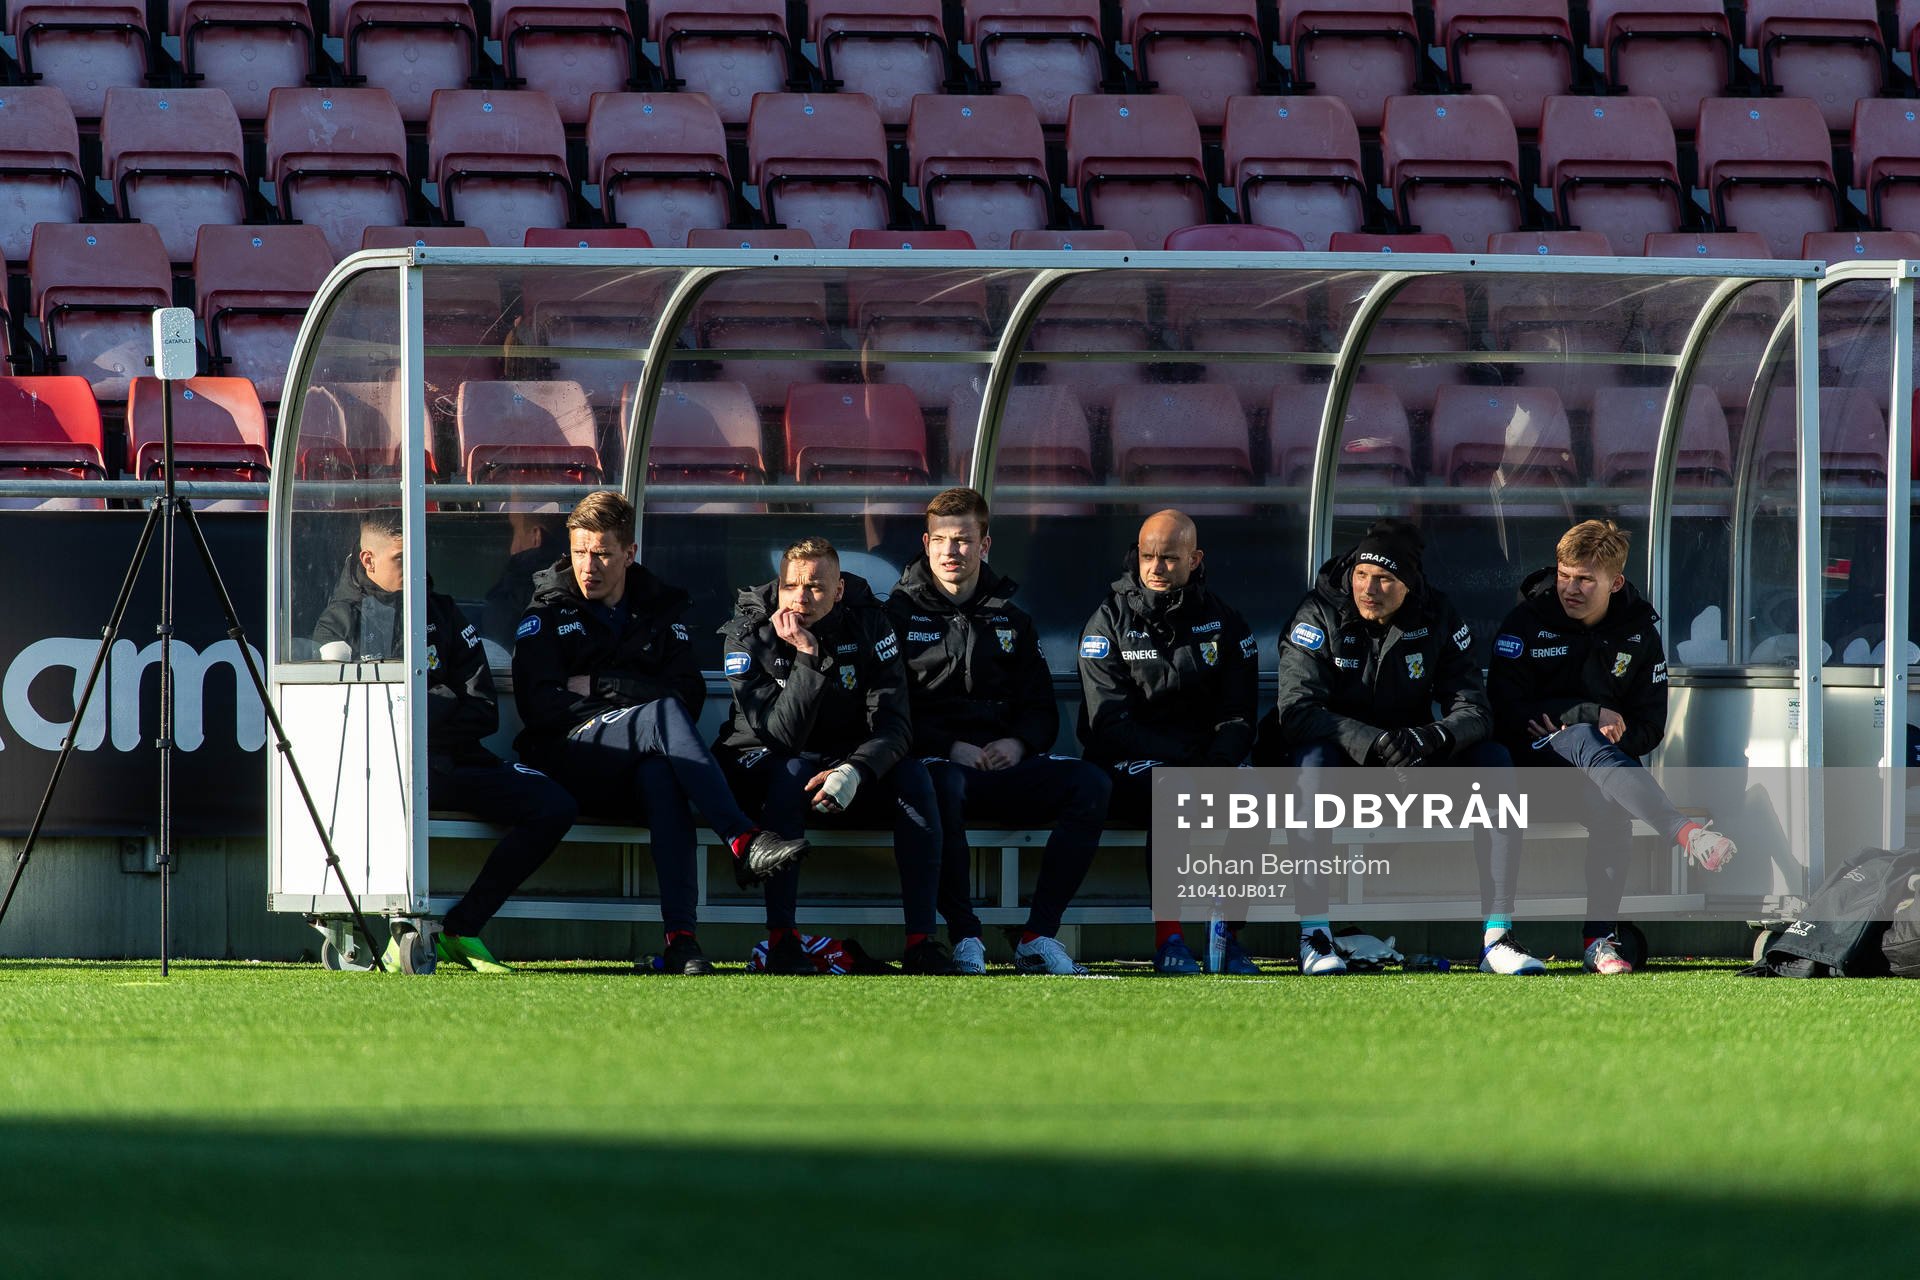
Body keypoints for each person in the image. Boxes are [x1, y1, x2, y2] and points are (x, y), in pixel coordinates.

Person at [511, 491, 808, 976]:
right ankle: (741, 839)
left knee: (662, 774)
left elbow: (688, 694)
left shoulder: (660, 609)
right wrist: (632, 703)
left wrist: (606, 687)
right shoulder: (545, 612)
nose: (589, 566)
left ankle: (682, 941)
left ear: (629, 553)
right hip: (567, 758)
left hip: (636, 764)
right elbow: (540, 706)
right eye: (580, 551)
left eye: (603, 553)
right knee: (660, 714)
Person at [1266, 519, 1542, 976]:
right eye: (1361, 574)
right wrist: (1370, 742)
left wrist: (1432, 736)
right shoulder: (1318, 612)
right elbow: (1296, 711)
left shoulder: (1438, 614)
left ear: (1409, 585)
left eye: (1385, 579)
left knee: (1494, 762)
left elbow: (1474, 709)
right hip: (1340, 765)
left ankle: (1497, 936)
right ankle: (1314, 936)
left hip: (1412, 763)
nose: (1368, 588)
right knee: (1313, 761)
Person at [312, 509, 577, 974]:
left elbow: (483, 709)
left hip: (455, 763)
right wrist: (441, 701)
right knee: (394, 790)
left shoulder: (444, 612)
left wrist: (423, 710)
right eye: (400, 559)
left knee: (555, 804)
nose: (413, 569)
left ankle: (462, 927)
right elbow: (354, 723)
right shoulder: (339, 624)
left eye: (416, 556)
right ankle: (398, 928)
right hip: (383, 773)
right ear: (368, 559)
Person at [1487, 519, 1736, 975]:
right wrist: (1582, 714)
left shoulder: (1640, 632)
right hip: (1526, 769)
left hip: (1599, 775)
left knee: (1610, 802)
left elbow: (1649, 725)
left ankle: (1598, 940)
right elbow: (1505, 709)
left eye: (1585, 579)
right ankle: (1683, 832)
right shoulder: (1526, 620)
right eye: (1565, 575)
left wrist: (1612, 733)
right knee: (1580, 734)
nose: (1570, 588)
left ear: (1615, 582)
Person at [887, 488, 1110, 976]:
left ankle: (1037, 937)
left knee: (1090, 783)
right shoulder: (895, 618)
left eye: (964, 540)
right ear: (926, 543)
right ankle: (967, 937)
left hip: (1004, 767)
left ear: (984, 545)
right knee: (937, 783)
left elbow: (1042, 709)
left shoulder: (1013, 619)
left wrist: (1018, 743)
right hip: (941, 766)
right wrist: (948, 746)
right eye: (942, 540)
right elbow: (889, 710)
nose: (952, 552)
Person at [715, 536, 956, 975]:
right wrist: (808, 656)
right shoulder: (749, 633)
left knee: (916, 777)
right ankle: (782, 939)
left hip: (845, 766)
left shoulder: (870, 624)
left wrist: (856, 770)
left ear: (839, 589)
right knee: (790, 771)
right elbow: (781, 738)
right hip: (764, 763)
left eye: (816, 588)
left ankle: (923, 941)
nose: (801, 598)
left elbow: (895, 724)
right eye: (792, 586)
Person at [1077, 509, 1262, 975]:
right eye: (1147, 557)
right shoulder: (1108, 621)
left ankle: (1227, 936)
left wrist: (1219, 762)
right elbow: (1108, 724)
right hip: (1128, 763)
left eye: (1169, 558)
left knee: (1254, 796)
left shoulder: (1223, 620)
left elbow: (1239, 713)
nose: (1156, 568)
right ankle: (1171, 938)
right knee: (1174, 794)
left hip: (1204, 762)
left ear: (1195, 559)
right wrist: (1189, 760)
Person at [481, 507, 566, 646]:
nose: (512, 548)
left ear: (536, 536)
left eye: (515, 531)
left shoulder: (511, 591)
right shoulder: (585, 590)